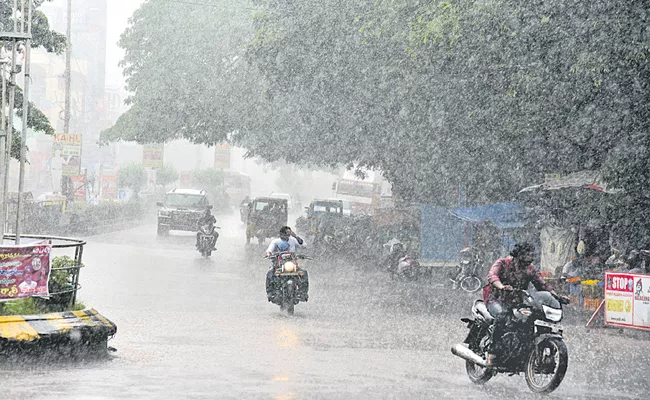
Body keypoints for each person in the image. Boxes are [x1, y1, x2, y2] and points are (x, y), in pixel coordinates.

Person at [485, 242, 567, 367]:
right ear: (518, 255)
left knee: (531, 319)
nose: (529, 260)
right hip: (496, 300)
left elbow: (542, 285)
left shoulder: (530, 269)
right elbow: (492, 276)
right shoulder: (502, 263)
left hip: (518, 302)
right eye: (526, 257)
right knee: (502, 316)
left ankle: (523, 351)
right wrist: (501, 286)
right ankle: (493, 353)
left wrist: (557, 296)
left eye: (531, 257)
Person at [265, 226, 308, 302]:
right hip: (279, 263)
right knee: (270, 273)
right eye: (286, 233)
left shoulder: (293, 240)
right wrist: (269, 254)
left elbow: (304, 245)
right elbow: (269, 250)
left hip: (292, 264)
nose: (287, 235)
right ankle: (270, 293)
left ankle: (303, 293)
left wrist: (295, 236)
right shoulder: (276, 242)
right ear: (281, 234)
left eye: (289, 233)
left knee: (304, 273)